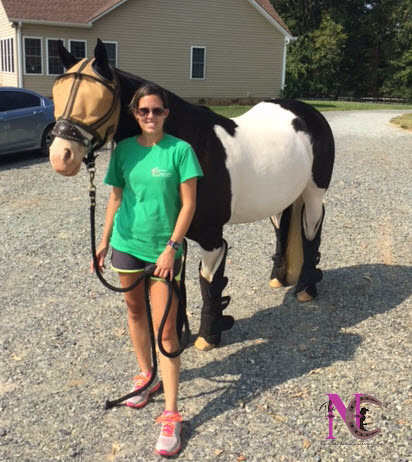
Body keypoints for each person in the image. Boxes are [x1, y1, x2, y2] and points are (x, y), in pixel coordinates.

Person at [92, 83, 203, 456]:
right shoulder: (123, 151)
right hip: (126, 245)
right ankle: (146, 375)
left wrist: (172, 248)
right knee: (135, 310)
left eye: (157, 110)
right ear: (135, 114)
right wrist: (105, 241)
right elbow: (116, 197)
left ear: (166, 113)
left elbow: (188, 206)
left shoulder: (180, 151)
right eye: (144, 111)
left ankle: (172, 413)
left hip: (163, 252)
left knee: (167, 330)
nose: (150, 117)